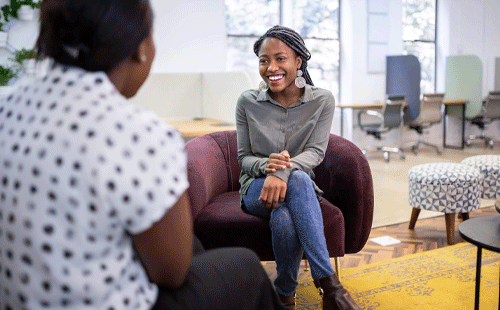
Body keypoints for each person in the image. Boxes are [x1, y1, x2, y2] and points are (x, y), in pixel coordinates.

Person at [0, 0, 283, 309]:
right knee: (244, 267)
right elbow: (170, 273)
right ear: (140, 48)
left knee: (195, 246)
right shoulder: (137, 133)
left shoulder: (7, 108)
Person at [236, 25, 362, 310]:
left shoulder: (322, 100)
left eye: (280, 58)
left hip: (295, 187)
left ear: (298, 62)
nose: (271, 68)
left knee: (284, 216)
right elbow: (243, 158)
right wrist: (267, 167)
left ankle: (284, 295)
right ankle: (330, 288)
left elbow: (315, 153)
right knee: (300, 181)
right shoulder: (247, 102)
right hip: (256, 188)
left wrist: (281, 172)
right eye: (264, 60)